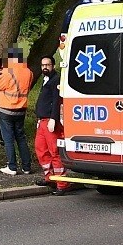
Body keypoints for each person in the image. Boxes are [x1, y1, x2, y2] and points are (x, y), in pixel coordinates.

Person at [0, 47, 35, 175]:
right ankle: (27, 167)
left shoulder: (7, 73)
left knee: (8, 139)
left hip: (6, 109)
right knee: (21, 137)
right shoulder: (29, 72)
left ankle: (12, 167)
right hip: (21, 109)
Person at [34, 55, 74, 195]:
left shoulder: (56, 80)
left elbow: (57, 101)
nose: (45, 67)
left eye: (48, 65)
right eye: (43, 65)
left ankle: (62, 183)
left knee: (54, 152)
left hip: (50, 121)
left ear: (53, 65)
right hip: (42, 121)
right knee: (41, 150)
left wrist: (53, 119)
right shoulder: (46, 79)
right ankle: (50, 177)